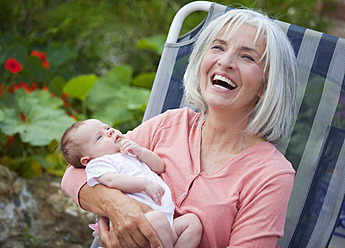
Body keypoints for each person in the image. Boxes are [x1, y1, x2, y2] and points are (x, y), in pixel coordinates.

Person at [61, 8, 297, 248]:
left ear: (266, 86)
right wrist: (118, 206)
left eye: (247, 57)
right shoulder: (171, 124)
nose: (225, 62)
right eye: (218, 47)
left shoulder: (270, 175)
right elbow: (73, 175)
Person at [58, 119, 203, 248]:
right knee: (157, 219)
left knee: (192, 223)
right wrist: (144, 184)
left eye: (107, 128)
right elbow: (112, 180)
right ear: (87, 160)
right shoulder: (99, 164)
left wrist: (140, 152)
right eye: (100, 137)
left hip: (166, 219)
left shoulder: (127, 150)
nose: (110, 132)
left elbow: (159, 167)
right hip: (143, 222)